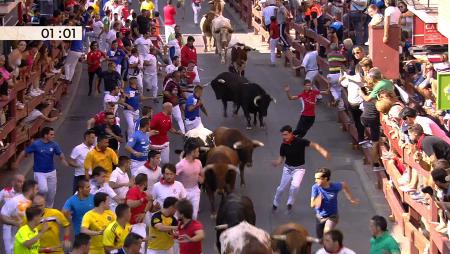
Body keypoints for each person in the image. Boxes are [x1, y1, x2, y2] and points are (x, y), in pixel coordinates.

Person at [272, 125, 330, 211]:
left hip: (299, 169)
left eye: (285, 134)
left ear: (291, 133)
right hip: (287, 169)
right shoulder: (283, 145)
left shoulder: (300, 141)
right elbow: (281, 158)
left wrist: (323, 151)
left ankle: (290, 202)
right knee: (281, 189)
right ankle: (275, 203)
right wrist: (277, 162)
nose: (284, 137)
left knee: (294, 187)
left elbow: (314, 145)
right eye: (283, 135)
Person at [14, 127, 69, 208]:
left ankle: (48, 209)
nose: (53, 136)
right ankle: (37, 203)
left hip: (51, 172)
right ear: (45, 135)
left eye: (53, 134)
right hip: (39, 172)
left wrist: (63, 159)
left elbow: (60, 153)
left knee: (51, 193)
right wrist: (17, 162)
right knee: (43, 189)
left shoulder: (54, 144)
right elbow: (24, 152)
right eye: (51, 134)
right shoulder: (36, 144)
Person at [311, 168, 359, 239]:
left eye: (318, 178)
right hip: (320, 217)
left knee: (326, 233)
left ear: (325, 179)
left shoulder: (334, 187)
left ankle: (332, 244)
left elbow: (344, 185)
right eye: (315, 178)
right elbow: (312, 204)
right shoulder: (315, 187)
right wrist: (319, 199)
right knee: (321, 238)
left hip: (332, 216)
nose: (315, 180)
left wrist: (351, 199)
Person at [1, 180, 38, 254]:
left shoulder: (34, 203)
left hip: (26, 237)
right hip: (12, 239)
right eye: (36, 189)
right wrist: (15, 223)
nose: (38, 191)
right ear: (31, 190)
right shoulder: (15, 201)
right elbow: (2, 217)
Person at [176, 139, 203, 219]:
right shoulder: (180, 165)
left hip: (195, 191)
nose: (199, 153)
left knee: (194, 216)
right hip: (183, 192)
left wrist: (200, 178)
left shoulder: (199, 162)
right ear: (192, 152)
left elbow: (202, 176)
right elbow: (172, 177)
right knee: (181, 217)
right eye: (197, 151)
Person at [125, 173, 154, 242]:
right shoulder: (133, 190)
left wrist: (144, 212)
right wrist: (143, 200)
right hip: (130, 225)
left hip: (139, 225)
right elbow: (129, 203)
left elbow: (150, 204)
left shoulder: (144, 194)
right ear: (145, 183)